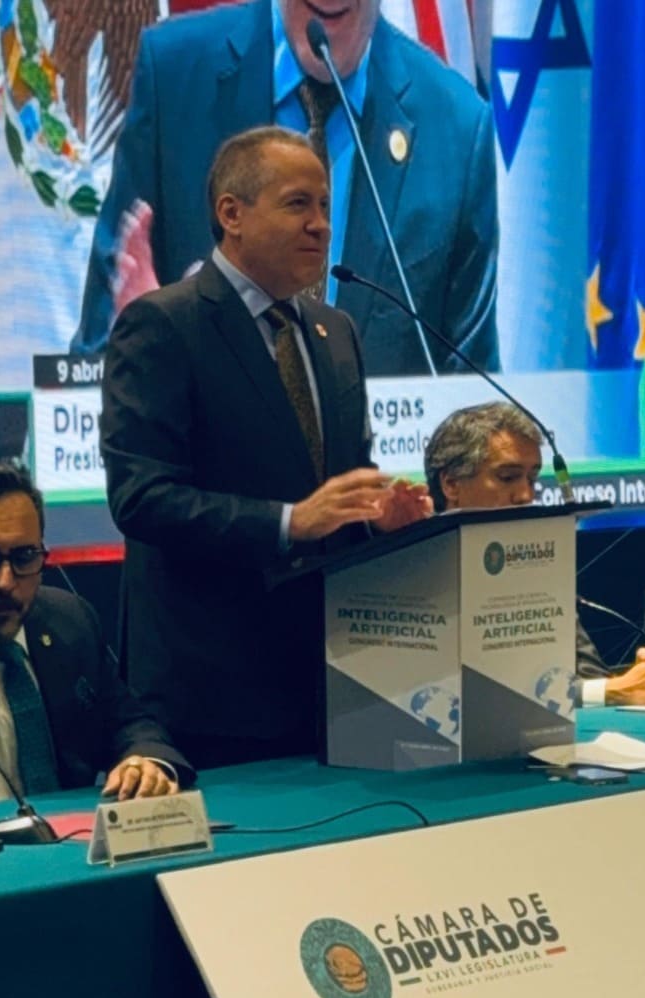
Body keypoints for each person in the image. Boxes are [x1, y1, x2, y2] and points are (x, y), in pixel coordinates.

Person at [101, 126, 431, 769]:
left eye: (325, 206)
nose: (320, 225)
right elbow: (142, 498)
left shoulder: (336, 332)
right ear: (232, 214)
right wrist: (289, 521)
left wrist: (376, 514)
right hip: (212, 694)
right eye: (297, 204)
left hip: (334, 683)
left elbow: (339, 485)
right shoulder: (164, 325)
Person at [72, 0, 498, 377]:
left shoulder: (457, 131)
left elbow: (478, 407)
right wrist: (143, 351)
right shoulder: (173, 76)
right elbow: (89, 364)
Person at [0, 462, 193, 818]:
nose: (5, 582)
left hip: (71, 842)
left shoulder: (69, 620)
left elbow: (130, 723)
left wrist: (144, 761)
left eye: (25, 557)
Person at [424, 402, 645, 706]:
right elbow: (467, 695)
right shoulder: (418, 574)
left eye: (532, 480)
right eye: (508, 477)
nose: (526, 495)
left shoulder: (535, 570)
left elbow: (588, 674)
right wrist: (613, 691)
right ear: (451, 484)